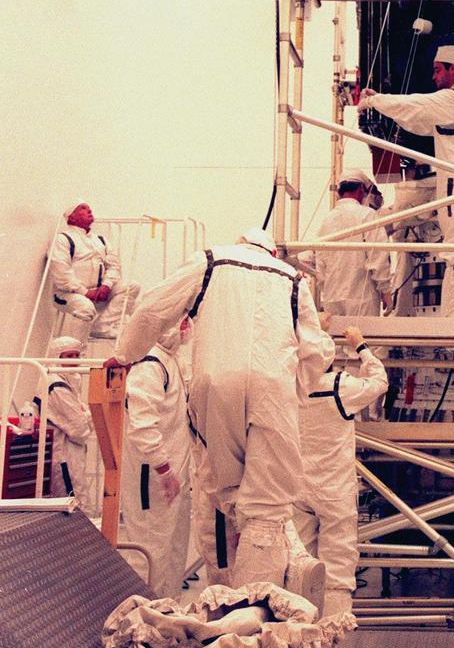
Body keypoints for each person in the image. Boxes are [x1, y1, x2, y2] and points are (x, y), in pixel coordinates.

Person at [111, 227, 332, 604]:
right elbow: (316, 353)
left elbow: (152, 309)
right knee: (266, 505)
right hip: (273, 389)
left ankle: (226, 597)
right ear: (273, 252)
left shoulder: (210, 261)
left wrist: (124, 354)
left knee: (222, 492)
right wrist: (293, 392)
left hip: (215, 385)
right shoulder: (293, 280)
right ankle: (254, 611)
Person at [359, 45, 454, 318]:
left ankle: (451, 323)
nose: (433, 76)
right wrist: (389, 109)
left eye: (437, 70)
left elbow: (416, 104)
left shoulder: (452, 99)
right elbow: (419, 121)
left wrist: (375, 101)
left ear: (452, 68)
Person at [292, 324, 389, 635]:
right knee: (337, 565)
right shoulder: (339, 387)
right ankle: (332, 631)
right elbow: (379, 381)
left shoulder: (288, 385)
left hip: (297, 486)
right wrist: (361, 346)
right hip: (333, 489)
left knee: (300, 563)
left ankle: (298, 631)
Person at [119, 318, 193, 599]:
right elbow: (142, 425)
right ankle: (142, 620)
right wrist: (163, 469)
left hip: (172, 476)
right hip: (152, 478)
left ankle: (166, 615)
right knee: (150, 552)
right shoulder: (149, 364)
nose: (187, 329)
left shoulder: (169, 360)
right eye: (183, 322)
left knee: (173, 550)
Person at [49, 202, 140, 341]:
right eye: (83, 208)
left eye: (89, 208)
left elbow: (114, 266)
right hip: (68, 294)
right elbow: (61, 272)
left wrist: (106, 285)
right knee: (86, 308)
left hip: (98, 292)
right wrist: (85, 292)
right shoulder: (63, 239)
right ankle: (76, 356)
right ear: (71, 218)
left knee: (131, 286)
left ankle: (102, 327)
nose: (89, 210)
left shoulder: (101, 240)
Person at [313, 170, 394, 317]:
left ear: (339, 192)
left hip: (332, 297)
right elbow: (378, 257)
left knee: (337, 339)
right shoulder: (367, 215)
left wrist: (327, 288)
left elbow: (320, 263)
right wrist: (386, 291)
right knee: (361, 338)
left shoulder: (327, 220)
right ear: (361, 189)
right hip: (361, 298)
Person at [40, 336, 94, 506]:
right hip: (63, 455)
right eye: (68, 356)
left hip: (70, 455)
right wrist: (89, 415)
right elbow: (80, 430)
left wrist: (84, 415)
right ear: (57, 357)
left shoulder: (65, 383)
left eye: (76, 356)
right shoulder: (56, 386)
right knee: (75, 504)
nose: (74, 361)